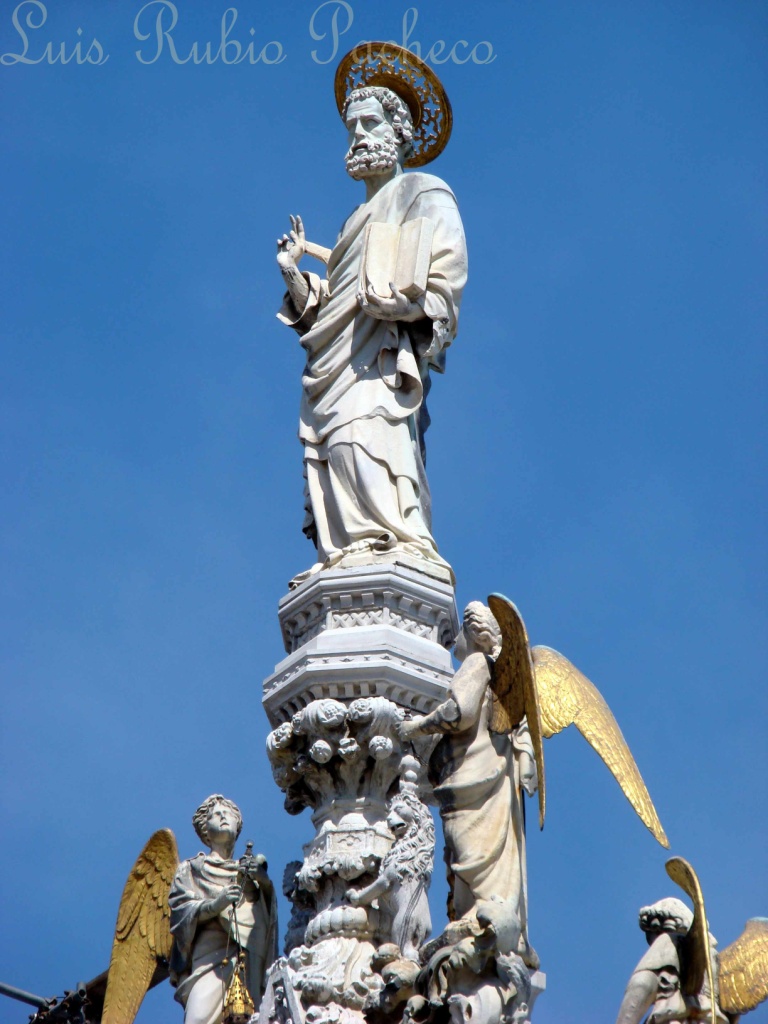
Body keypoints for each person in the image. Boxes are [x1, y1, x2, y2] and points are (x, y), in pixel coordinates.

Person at [276, 81, 467, 581]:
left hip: (381, 360)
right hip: (334, 368)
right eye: (351, 128)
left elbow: (446, 275)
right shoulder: (349, 224)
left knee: (369, 442)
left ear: (400, 133)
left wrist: (409, 306)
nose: (358, 136)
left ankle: (395, 541)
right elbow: (332, 309)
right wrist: (294, 274)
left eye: (370, 124)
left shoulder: (425, 193)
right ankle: (346, 552)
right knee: (337, 449)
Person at [398, 603, 537, 964]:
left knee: (470, 852)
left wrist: (417, 727)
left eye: (459, 631)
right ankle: (484, 912)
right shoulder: (495, 675)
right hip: (488, 781)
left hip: (472, 782)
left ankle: (480, 915)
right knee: (487, 850)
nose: (455, 639)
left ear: (473, 635)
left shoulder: (476, 664)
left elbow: (459, 712)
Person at [169, 795, 278, 1024]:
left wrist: (263, 881)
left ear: (238, 826)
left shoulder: (248, 870)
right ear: (205, 831)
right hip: (209, 958)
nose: (222, 816)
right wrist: (214, 905)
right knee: (197, 1019)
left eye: (228, 813)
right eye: (215, 814)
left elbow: (267, 923)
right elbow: (180, 913)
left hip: (248, 961)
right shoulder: (192, 869)